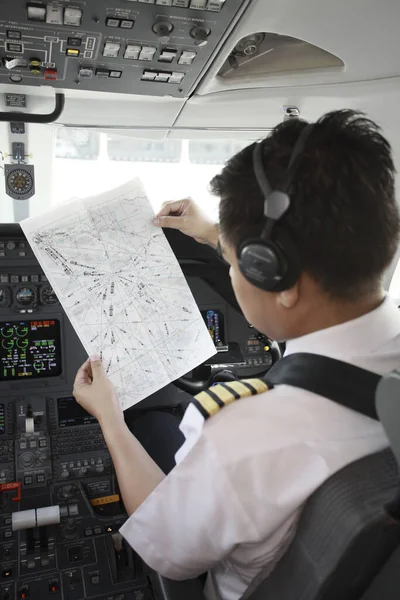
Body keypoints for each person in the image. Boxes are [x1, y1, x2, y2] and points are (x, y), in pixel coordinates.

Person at [73, 110, 400, 600]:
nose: (232, 272)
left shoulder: (241, 437)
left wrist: (110, 420)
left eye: (241, 262)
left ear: (277, 278)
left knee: (150, 428)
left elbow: (168, 553)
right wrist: (216, 235)